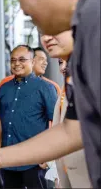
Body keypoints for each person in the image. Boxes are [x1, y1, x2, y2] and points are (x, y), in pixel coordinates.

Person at [0, 0, 100, 189]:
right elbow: (71, 131)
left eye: (30, 14)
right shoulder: (81, 47)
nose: (45, 36)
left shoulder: (94, 20)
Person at [0, 45, 57, 188]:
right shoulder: (4, 88)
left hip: (34, 161)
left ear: (33, 61)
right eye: (13, 60)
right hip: (8, 160)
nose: (16, 63)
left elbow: (57, 122)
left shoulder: (46, 88)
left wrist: (50, 155)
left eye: (22, 59)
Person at [41, 31, 92, 188]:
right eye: (59, 63)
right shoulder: (63, 94)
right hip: (65, 172)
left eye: (67, 62)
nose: (63, 67)